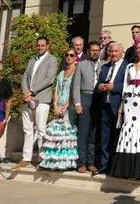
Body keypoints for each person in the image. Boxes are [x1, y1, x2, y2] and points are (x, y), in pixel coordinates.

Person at [110, 40, 140, 179]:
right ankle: (126, 168)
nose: (139, 50)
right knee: (128, 129)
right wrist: (122, 105)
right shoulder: (130, 66)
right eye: (137, 48)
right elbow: (125, 86)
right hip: (129, 101)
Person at [14, 36, 58, 169]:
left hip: (42, 99)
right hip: (28, 99)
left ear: (48, 46)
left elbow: (49, 79)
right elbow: (24, 77)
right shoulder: (32, 59)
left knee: (41, 130)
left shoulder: (52, 59)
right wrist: (25, 92)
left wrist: (31, 91)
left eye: (42, 45)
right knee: (27, 130)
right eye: (38, 45)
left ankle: (42, 159)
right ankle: (26, 158)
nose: (40, 47)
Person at [40, 49, 78, 171]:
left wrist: (67, 105)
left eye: (72, 55)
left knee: (67, 134)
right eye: (67, 55)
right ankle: (54, 162)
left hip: (69, 106)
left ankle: (65, 162)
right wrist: (55, 105)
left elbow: (74, 90)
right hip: (59, 105)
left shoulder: (77, 72)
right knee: (57, 133)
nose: (69, 57)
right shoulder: (61, 73)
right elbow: (56, 90)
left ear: (76, 57)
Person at [96, 43, 128, 175]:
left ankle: (115, 167)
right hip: (105, 106)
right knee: (105, 138)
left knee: (117, 138)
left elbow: (129, 85)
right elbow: (99, 83)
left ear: (121, 52)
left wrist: (114, 87)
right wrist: (100, 87)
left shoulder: (128, 66)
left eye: (116, 51)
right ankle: (104, 166)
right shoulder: (105, 67)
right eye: (111, 51)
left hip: (119, 108)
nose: (113, 54)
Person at [73, 40, 101, 173]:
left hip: (98, 99)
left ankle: (91, 161)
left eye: (97, 50)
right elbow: (76, 85)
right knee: (83, 132)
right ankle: (81, 162)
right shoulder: (81, 65)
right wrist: (77, 103)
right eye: (92, 50)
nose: (95, 52)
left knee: (93, 133)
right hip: (85, 97)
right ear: (88, 52)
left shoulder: (105, 65)